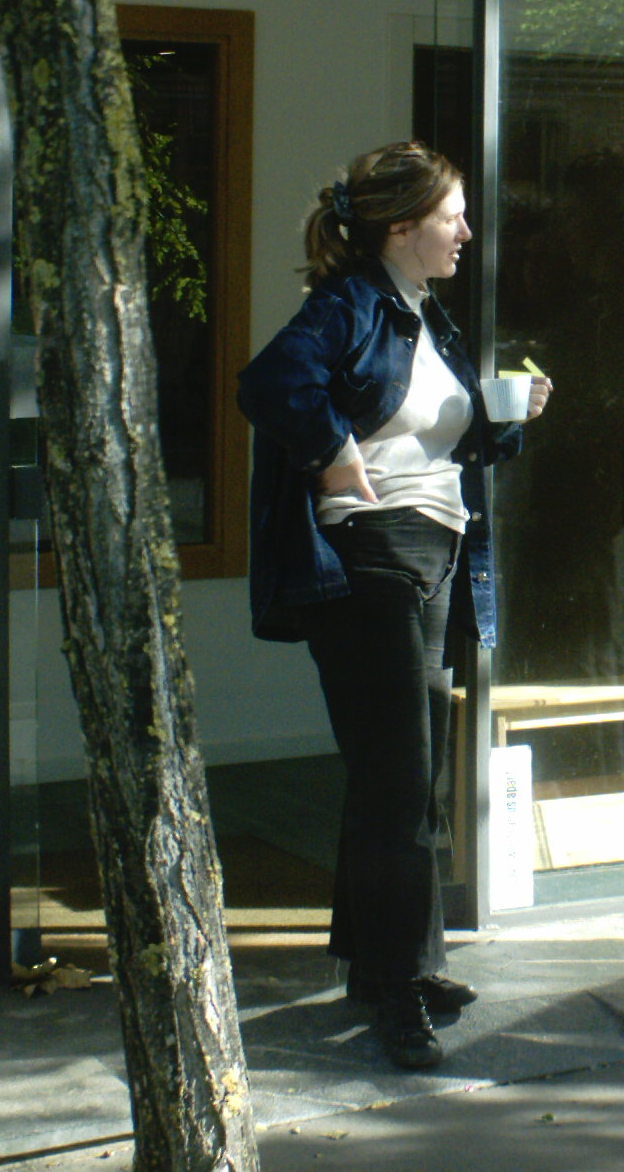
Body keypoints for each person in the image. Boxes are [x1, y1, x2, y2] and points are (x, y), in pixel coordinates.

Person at [236, 142, 552, 1071]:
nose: (466, 231)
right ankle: (400, 991)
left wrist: (507, 419)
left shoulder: (424, 314)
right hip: (370, 560)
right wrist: (335, 457)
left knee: (400, 779)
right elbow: (270, 385)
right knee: (398, 784)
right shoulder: (347, 305)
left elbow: (446, 447)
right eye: (452, 215)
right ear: (401, 228)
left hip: (433, 553)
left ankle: (384, 971)